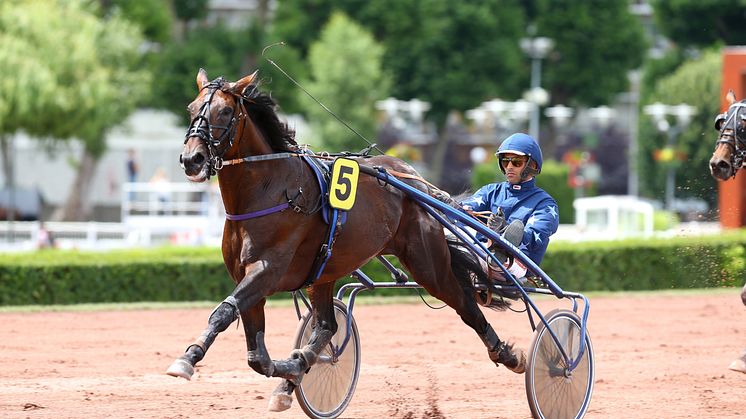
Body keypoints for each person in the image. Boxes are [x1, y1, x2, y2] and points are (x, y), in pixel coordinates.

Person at [460, 133, 559, 280]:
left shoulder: (544, 203)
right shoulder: (490, 191)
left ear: (532, 165)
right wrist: (450, 205)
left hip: (517, 262)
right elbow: (467, 208)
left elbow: (534, 237)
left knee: (507, 245)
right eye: (505, 162)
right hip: (481, 252)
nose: (509, 167)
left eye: (516, 162)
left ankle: (498, 255)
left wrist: (505, 229)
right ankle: (490, 256)